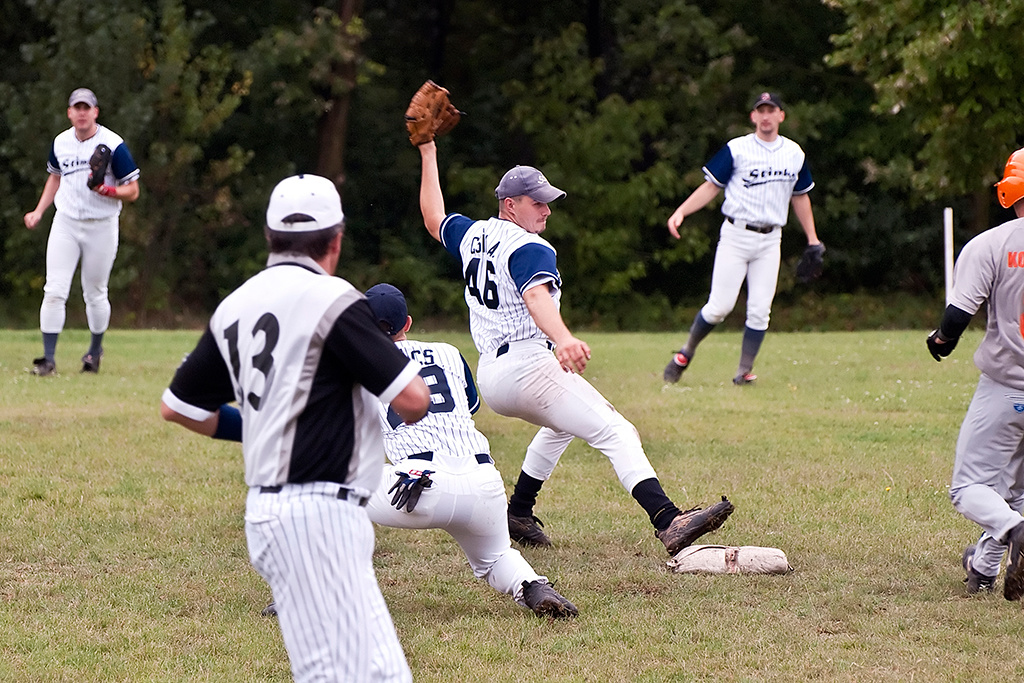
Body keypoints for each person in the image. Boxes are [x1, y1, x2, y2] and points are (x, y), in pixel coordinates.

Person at [160, 174, 430, 682]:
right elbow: (414, 401)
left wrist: (265, 425)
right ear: (336, 240)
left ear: (269, 237)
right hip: (316, 515)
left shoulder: (234, 305)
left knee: (386, 676)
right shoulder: (334, 298)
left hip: (280, 510)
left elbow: (178, 407)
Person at [414, 139, 734, 555]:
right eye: (537, 202)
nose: (546, 209)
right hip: (528, 366)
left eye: (548, 202)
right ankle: (668, 520)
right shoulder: (528, 246)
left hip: (493, 374)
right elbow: (535, 297)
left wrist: (427, 152)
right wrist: (563, 338)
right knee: (617, 430)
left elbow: (432, 216)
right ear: (510, 205)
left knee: (561, 426)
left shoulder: (473, 233)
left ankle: (519, 511)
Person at [364, 283, 577, 618]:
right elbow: (467, 407)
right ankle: (533, 585)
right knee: (495, 558)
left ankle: (308, 596)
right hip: (483, 481)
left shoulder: (361, 364)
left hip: (417, 486)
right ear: (407, 323)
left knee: (326, 490)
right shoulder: (448, 351)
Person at [663, 91, 822, 386]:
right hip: (736, 235)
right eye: (760, 110)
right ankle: (685, 353)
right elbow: (711, 186)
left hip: (771, 239)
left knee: (761, 311)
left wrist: (813, 239)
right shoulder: (737, 149)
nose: (765, 116)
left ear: (781, 115)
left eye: (771, 110)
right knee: (720, 307)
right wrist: (682, 211)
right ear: (753, 116)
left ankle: (743, 372)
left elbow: (801, 197)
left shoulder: (794, 153)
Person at [927, 148, 1024, 600]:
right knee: (1018, 489)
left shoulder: (993, 243)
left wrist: (940, 342)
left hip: (1008, 386)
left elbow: (956, 317)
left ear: (1009, 190)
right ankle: (983, 571)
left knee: (969, 488)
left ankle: (1015, 532)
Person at [23, 87, 141, 376]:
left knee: (96, 293)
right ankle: (48, 360)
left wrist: (108, 190)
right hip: (66, 222)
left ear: (95, 112)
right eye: (77, 107)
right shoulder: (61, 142)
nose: (82, 112)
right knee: (54, 290)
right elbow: (54, 177)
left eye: (87, 108)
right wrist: (39, 210)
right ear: (69, 113)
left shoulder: (113, 144)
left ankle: (94, 353)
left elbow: (133, 190)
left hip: (101, 225)